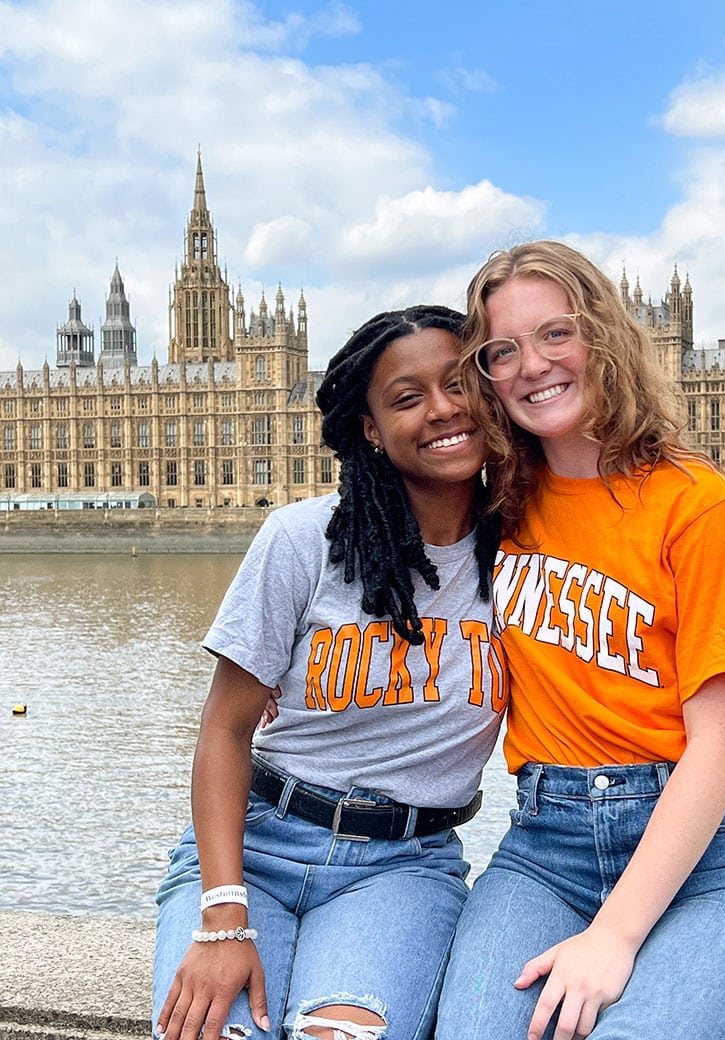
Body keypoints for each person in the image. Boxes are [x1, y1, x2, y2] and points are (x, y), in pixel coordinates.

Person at [435, 242, 725, 1040]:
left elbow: (721, 742)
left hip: (708, 857)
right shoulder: (493, 508)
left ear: (605, 335)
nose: (533, 365)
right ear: (487, 375)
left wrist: (616, 934)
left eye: (556, 335)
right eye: (504, 350)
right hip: (544, 847)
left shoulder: (696, 507)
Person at [152, 305, 505, 1040]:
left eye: (457, 384)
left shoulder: (534, 554)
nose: (442, 409)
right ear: (369, 428)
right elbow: (224, 729)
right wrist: (222, 914)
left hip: (402, 865)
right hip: (256, 842)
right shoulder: (302, 538)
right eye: (408, 397)